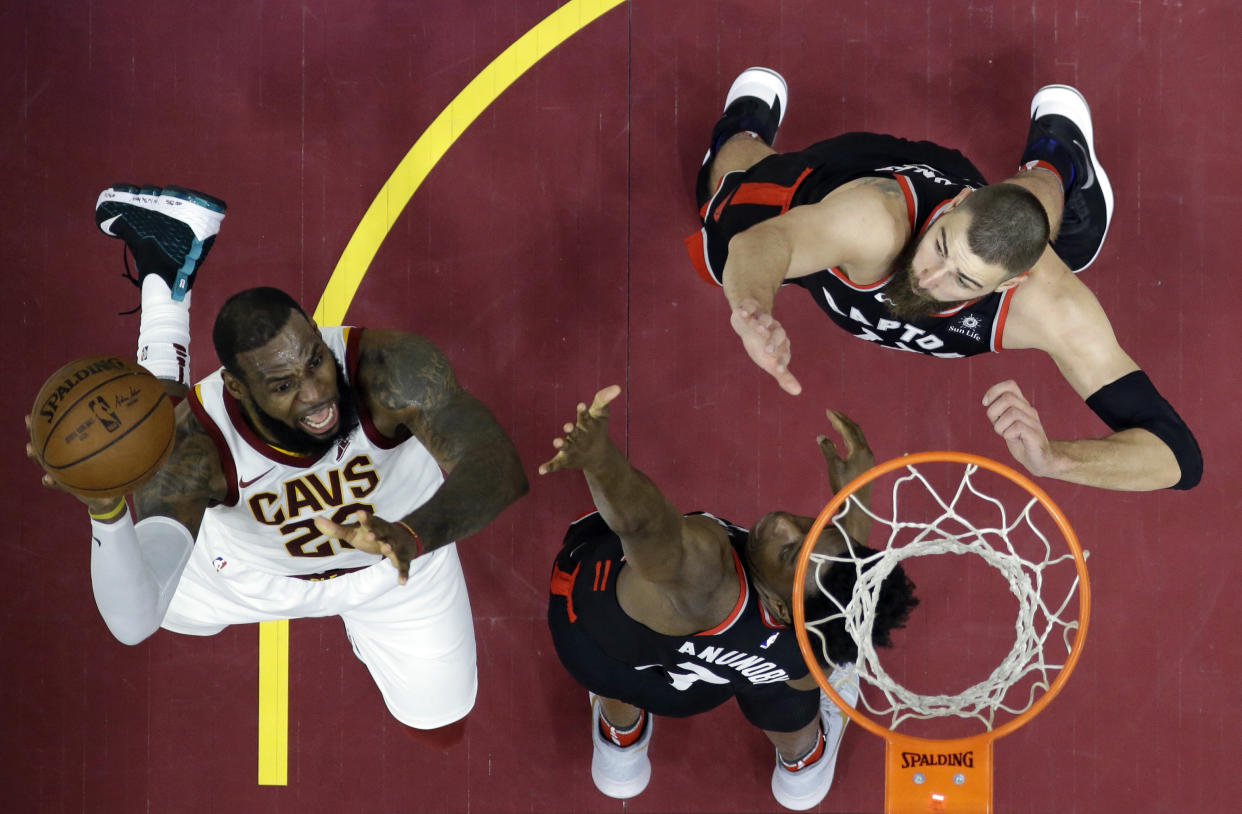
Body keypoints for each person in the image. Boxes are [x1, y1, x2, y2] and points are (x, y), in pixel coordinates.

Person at [27, 184, 529, 743]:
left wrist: (413, 534)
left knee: (440, 722)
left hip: (400, 567)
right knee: (155, 476)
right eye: (284, 385)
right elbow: (132, 622)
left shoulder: (390, 370)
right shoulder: (195, 451)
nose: (316, 394)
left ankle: (163, 264)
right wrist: (105, 512)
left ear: (317, 334)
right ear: (237, 388)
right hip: (243, 578)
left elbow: (496, 465)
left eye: (315, 360)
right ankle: (163, 288)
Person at [686, 68, 1202, 492]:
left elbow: (1177, 456)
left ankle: (1057, 155)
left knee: (1045, 227)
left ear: (1005, 287)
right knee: (721, 216)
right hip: (839, 181)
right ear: (955, 203)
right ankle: (742, 129)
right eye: (940, 247)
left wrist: (1056, 460)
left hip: (998, 234)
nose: (929, 277)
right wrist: (751, 307)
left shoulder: (1048, 305)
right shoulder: (873, 224)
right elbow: (759, 247)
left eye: (962, 280)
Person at [539, 386, 918, 811]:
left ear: (779, 605)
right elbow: (831, 597)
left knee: (618, 655)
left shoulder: (708, 570)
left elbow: (646, 526)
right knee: (795, 684)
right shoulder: (808, 638)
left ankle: (620, 742)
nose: (784, 526)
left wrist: (600, 460)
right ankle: (803, 766)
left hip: (593, 646)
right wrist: (854, 501)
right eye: (812, 527)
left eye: (790, 551)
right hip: (701, 686)